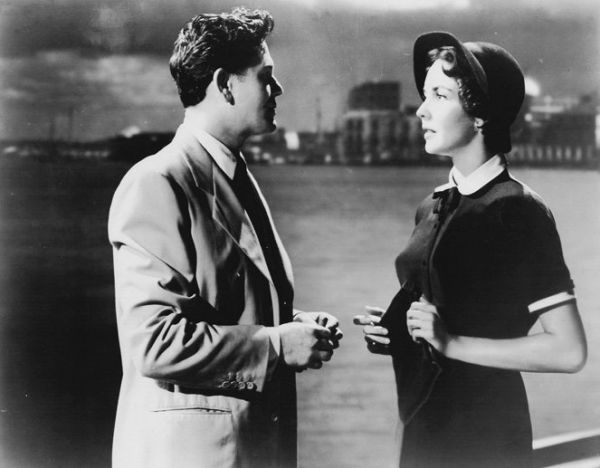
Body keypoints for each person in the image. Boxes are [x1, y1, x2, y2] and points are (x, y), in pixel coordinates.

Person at [108, 8, 342, 468]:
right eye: (266, 77)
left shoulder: (236, 176)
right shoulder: (157, 181)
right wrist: (277, 344)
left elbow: (224, 303)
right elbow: (154, 343)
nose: (278, 89)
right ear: (225, 84)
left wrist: (292, 323)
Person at [354, 31, 587, 467]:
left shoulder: (516, 209)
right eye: (425, 95)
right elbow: (450, 312)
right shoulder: (432, 205)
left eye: (439, 95)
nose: (421, 110)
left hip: (485, 434)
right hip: (423, 425)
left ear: (480, 114)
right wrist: (400, 333)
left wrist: (451, 343)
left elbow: (569, 350)